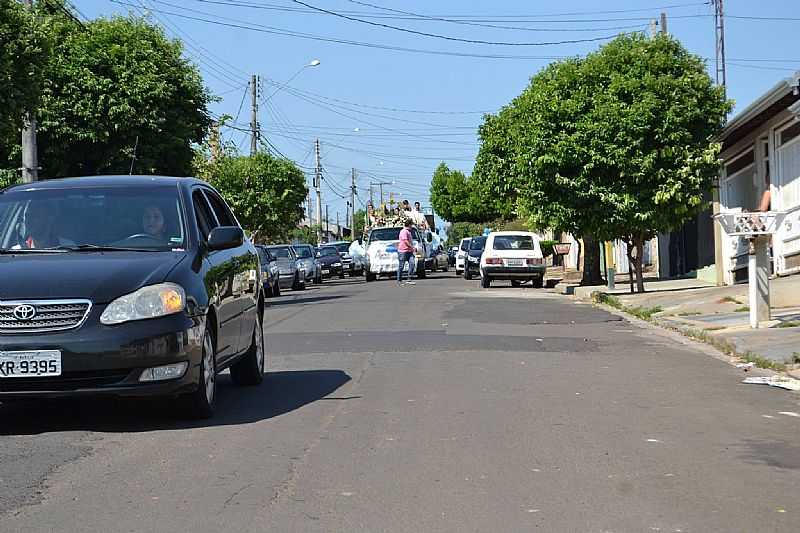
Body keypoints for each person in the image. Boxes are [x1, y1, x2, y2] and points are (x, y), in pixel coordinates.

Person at [397, 219, 415, 285]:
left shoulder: (408, 232)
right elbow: (405, 241)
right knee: (401, 266)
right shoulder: (404, 231)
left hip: (409, 251)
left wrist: (412, 248)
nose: (412, 226)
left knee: (412, 264)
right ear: (409, 224)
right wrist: (412, 247)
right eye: (411, 224)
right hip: (403, 251)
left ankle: (409, 279)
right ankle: (399, 280)